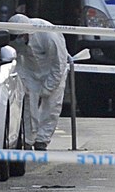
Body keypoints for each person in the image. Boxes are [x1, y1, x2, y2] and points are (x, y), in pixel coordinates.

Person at [8, 15, 70, 151]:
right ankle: (28, 139)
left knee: (51, 106)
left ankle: (42, 140)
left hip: (52, 71)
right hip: (30, 70)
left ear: (26, 34)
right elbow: (18, 61)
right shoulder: (15, 40)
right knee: (29, 106)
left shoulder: (48, 35)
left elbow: (58, 64)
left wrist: (48, 88)